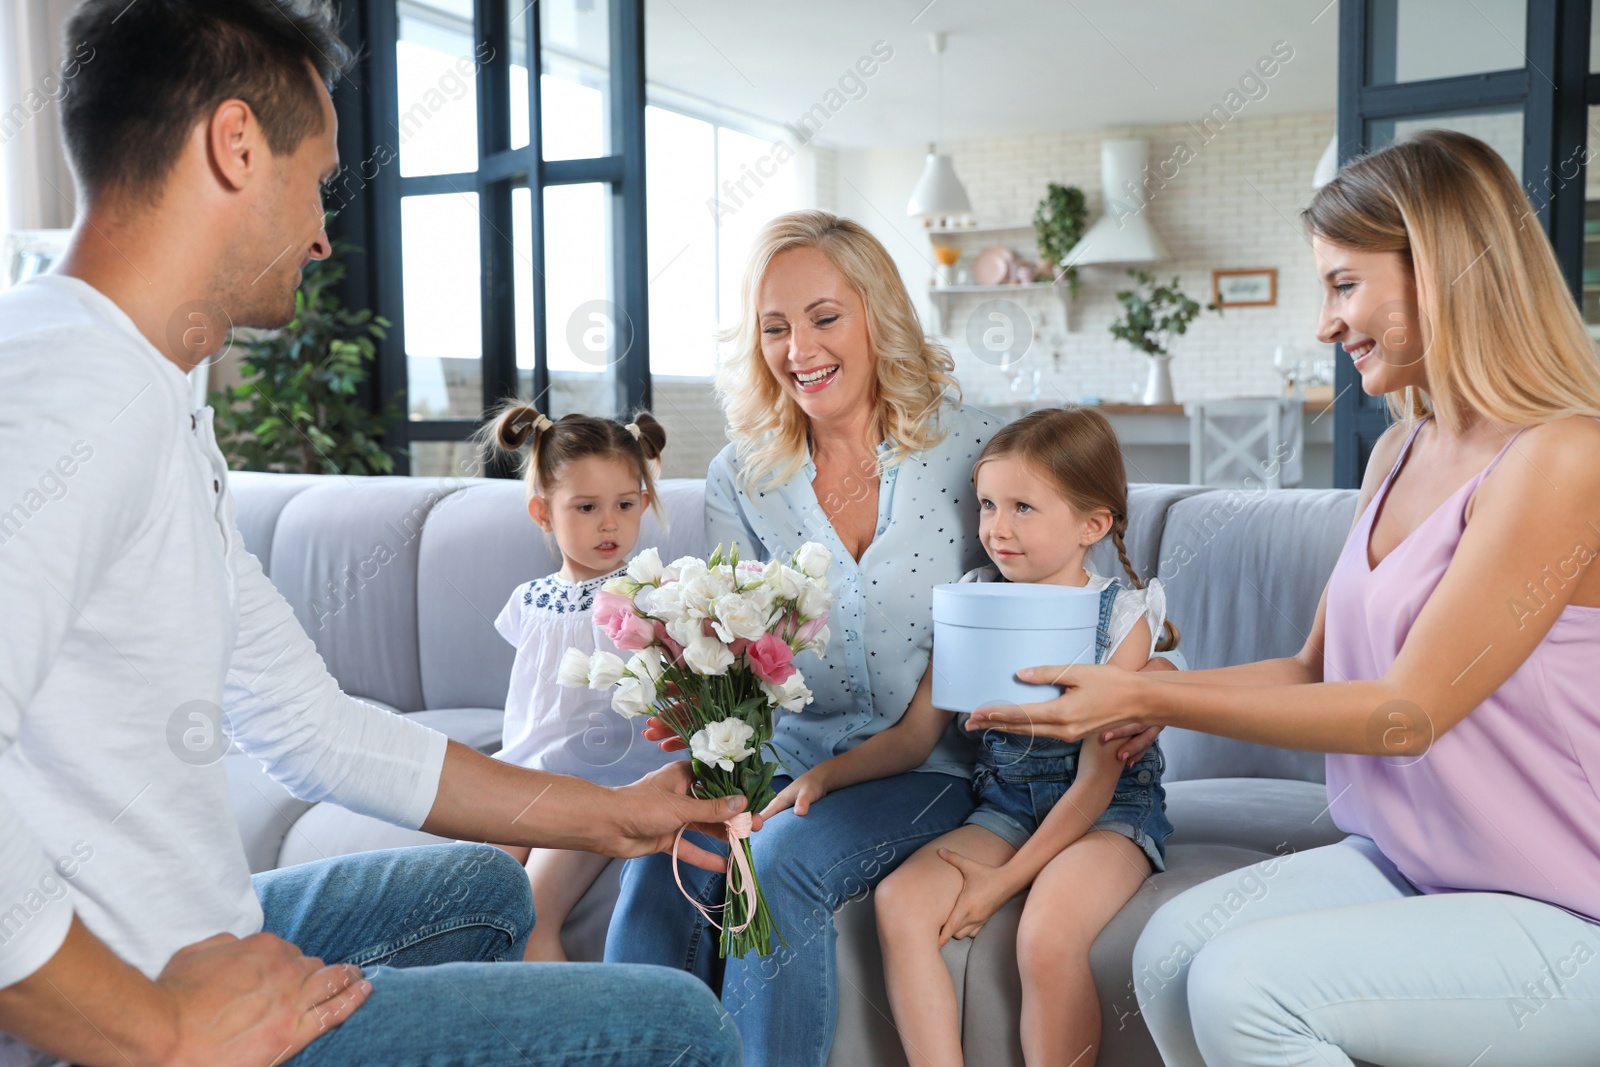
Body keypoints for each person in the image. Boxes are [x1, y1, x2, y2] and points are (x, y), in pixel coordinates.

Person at [0, 3, 743, 1066]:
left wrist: (612, 816)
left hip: (194, 929)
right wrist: (158, 1030)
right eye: (316, 178)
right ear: (237, 144)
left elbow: (310, 724)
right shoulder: (68, 386)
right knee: (677, 1028)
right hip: (113, 1009)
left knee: (485, 885)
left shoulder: (154, 397)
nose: (319, 229)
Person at [966, 129, 1600, 1066]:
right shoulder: (1399, 453)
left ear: (1443, 270)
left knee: (1241, 989)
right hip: (1413, 866)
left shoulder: (1563, 455)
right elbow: (1313, 669)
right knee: (1172, 950)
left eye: (1344, 285)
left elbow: (1406, 712)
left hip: (1561, 906)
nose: (1323, 323)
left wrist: (1148, 694)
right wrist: (1141, 697)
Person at [604, 210, 1170, 1065]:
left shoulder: (973, 448)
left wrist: (1149, 686)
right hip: (790, 755)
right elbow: (727, 648)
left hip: (936, 764)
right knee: (667, 851)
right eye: (775, 327)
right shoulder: (743, 477)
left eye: (825, 317)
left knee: (780, 866)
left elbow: (1089, 594)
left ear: (878, 315)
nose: (800, 348)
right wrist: (712, 758)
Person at [871, 407, 1177, 1067]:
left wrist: (1002, 882)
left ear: (1093, 524)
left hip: (1108, 812)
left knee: (1045, 935)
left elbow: (1096, 782)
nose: (995, 528)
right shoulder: (972, 595)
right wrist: (819, 778)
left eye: (1022, 508)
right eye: (987, 504)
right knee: (899, 900)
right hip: (1006, 802)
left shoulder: (1122, 619)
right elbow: (913, 736)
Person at [480, 405, 687, 962]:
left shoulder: (653, 595)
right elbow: (534, 707)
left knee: (533, 913)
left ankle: (568, 1042)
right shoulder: (529, 600)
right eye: (586, 507)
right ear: (543, 513)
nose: (609, 524)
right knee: (466, 886)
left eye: (624, 505)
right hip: (526, 779)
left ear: (644, 503)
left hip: (606, 787)